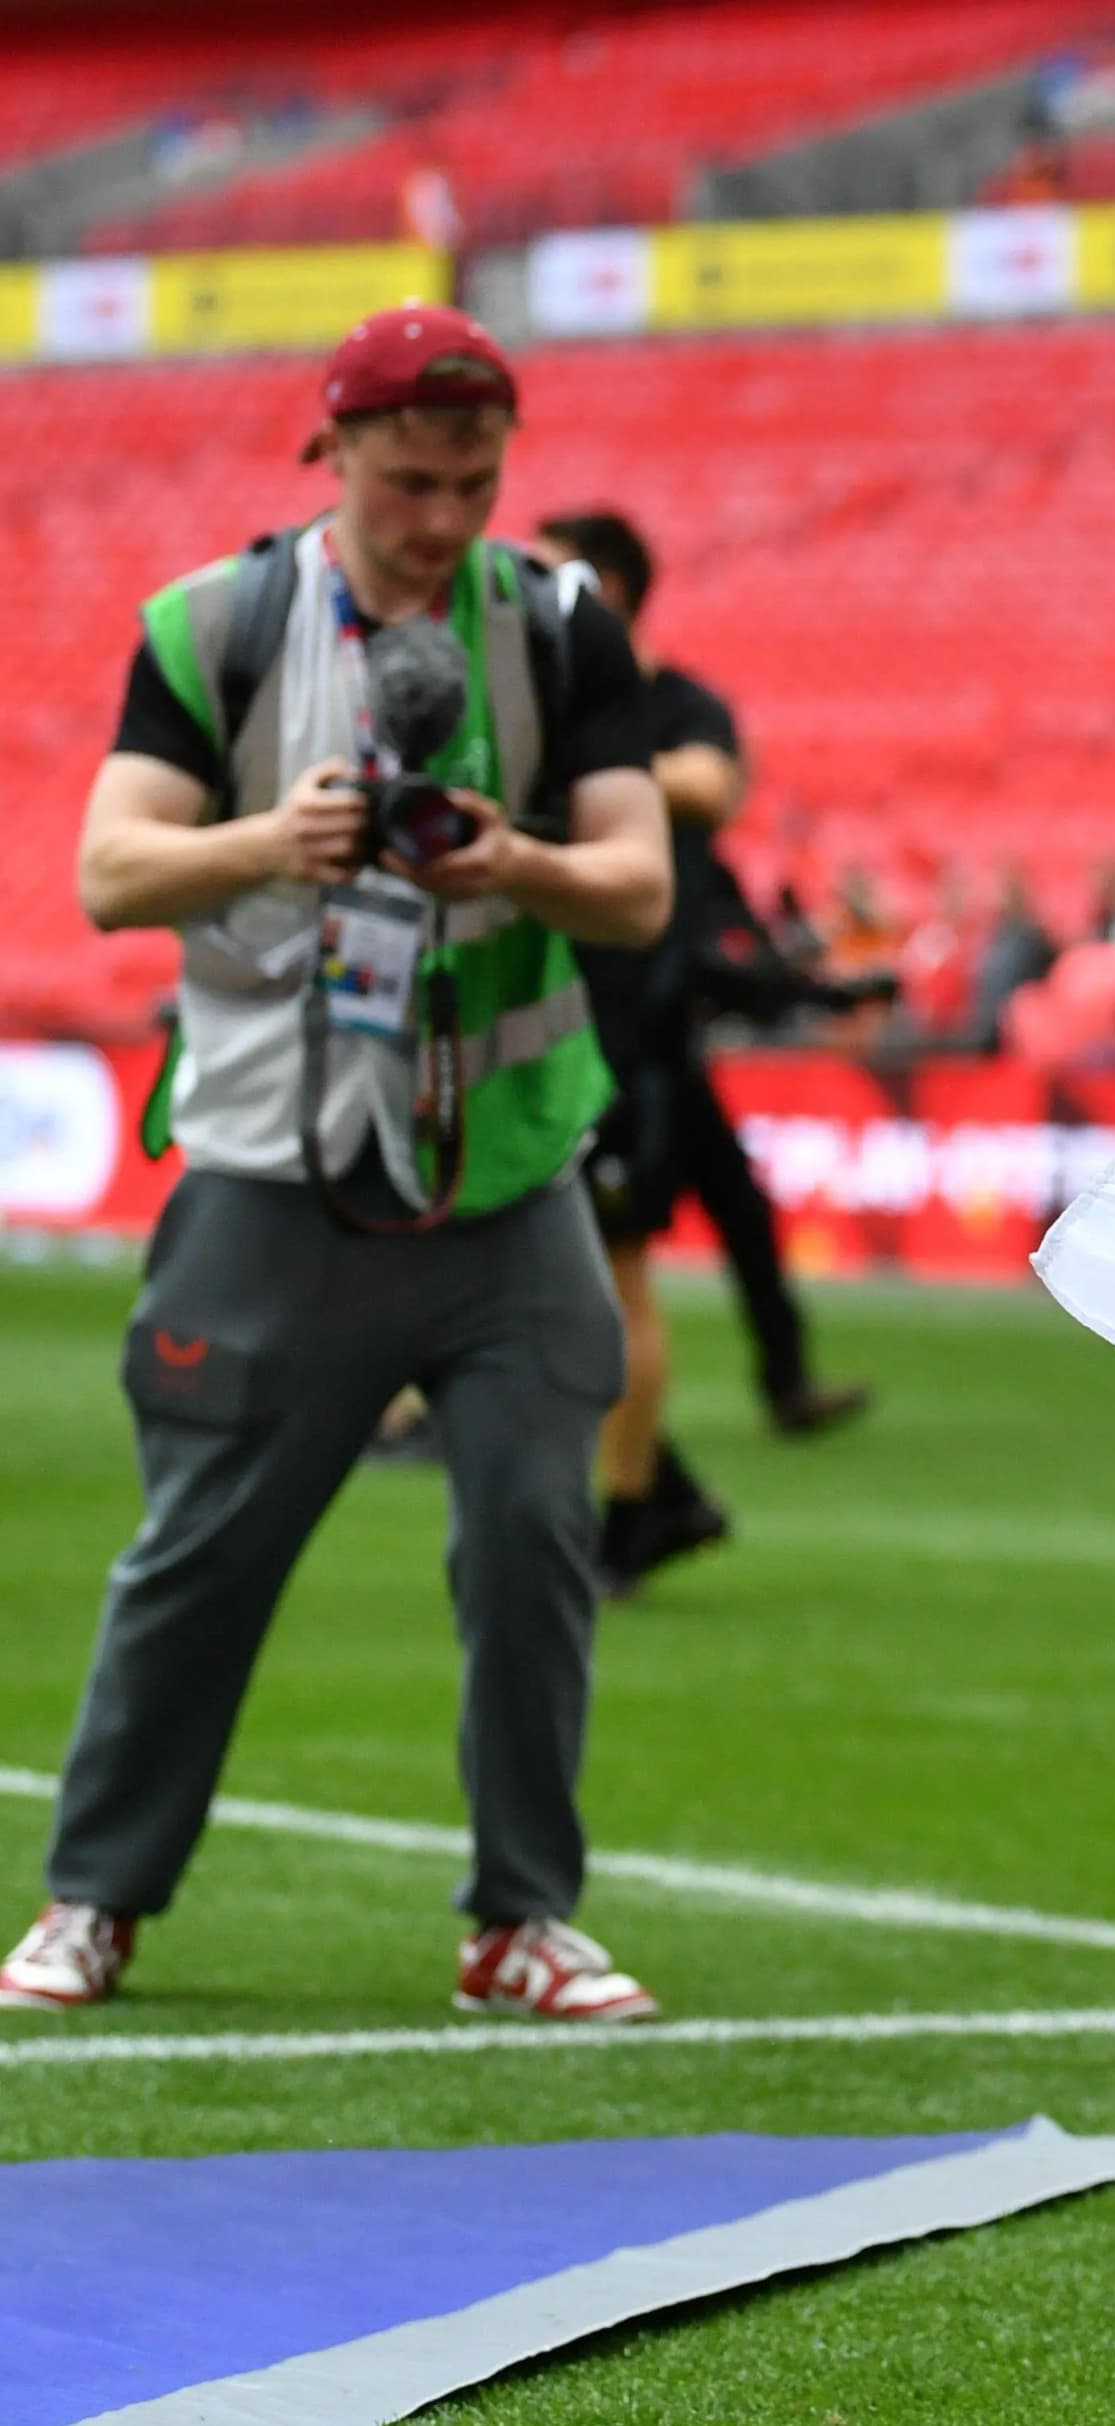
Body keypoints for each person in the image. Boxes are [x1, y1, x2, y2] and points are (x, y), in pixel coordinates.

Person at [2, 306, 672, 2025]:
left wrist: (515, 864)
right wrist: (272, 840)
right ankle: (95, 1899)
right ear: (334, 452)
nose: (442, 519)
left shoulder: (560, 626)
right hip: (269, 1174)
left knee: (533, 1537)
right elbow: (110, 870)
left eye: (474, 483)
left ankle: (521, 1921)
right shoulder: (214, 627)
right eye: (406, 483)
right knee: (201, 1553)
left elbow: (640, 886)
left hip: (509, 1179)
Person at [525, 508, 871, 1601]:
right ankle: (664, 1481)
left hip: (631, 1023)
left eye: (550, 576)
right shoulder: (536, 697)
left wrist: (574, 761)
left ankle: (636, 1507)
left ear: (608, 588)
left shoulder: (663, 707)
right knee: (559, 1269)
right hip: (552, 1016)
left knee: (614, 1266)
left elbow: (713, 785)